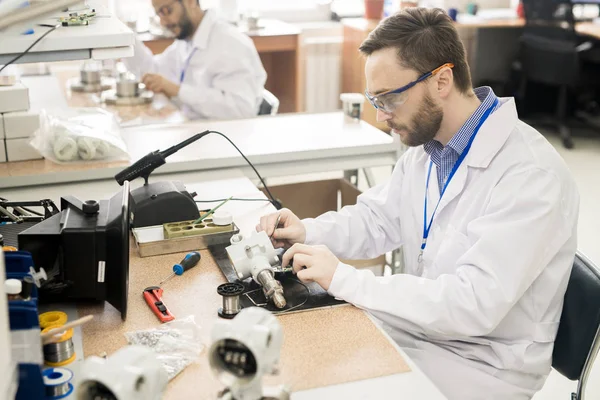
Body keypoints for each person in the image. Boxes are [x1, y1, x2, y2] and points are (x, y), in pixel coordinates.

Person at [257, 8, 579, 400]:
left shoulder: (530, 174)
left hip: (483, 367)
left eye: (390, 98)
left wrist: (345, 279)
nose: (381, 115)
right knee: (296, 359)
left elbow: (472, 303)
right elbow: (379, 218)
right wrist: (308, 231)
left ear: (442, 80)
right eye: (375, 99)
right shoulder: (430, 147)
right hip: (421, 332)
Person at [122, 0, 267, 120]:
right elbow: (153, 70)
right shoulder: (186, 42)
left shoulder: (230, 43)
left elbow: (240, 110)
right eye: (158, 14)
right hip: (194, 128)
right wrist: (125, 38)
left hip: (225, 139)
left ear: (190, 1)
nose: (163, 22)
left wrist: (177, 91)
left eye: (166, 11)